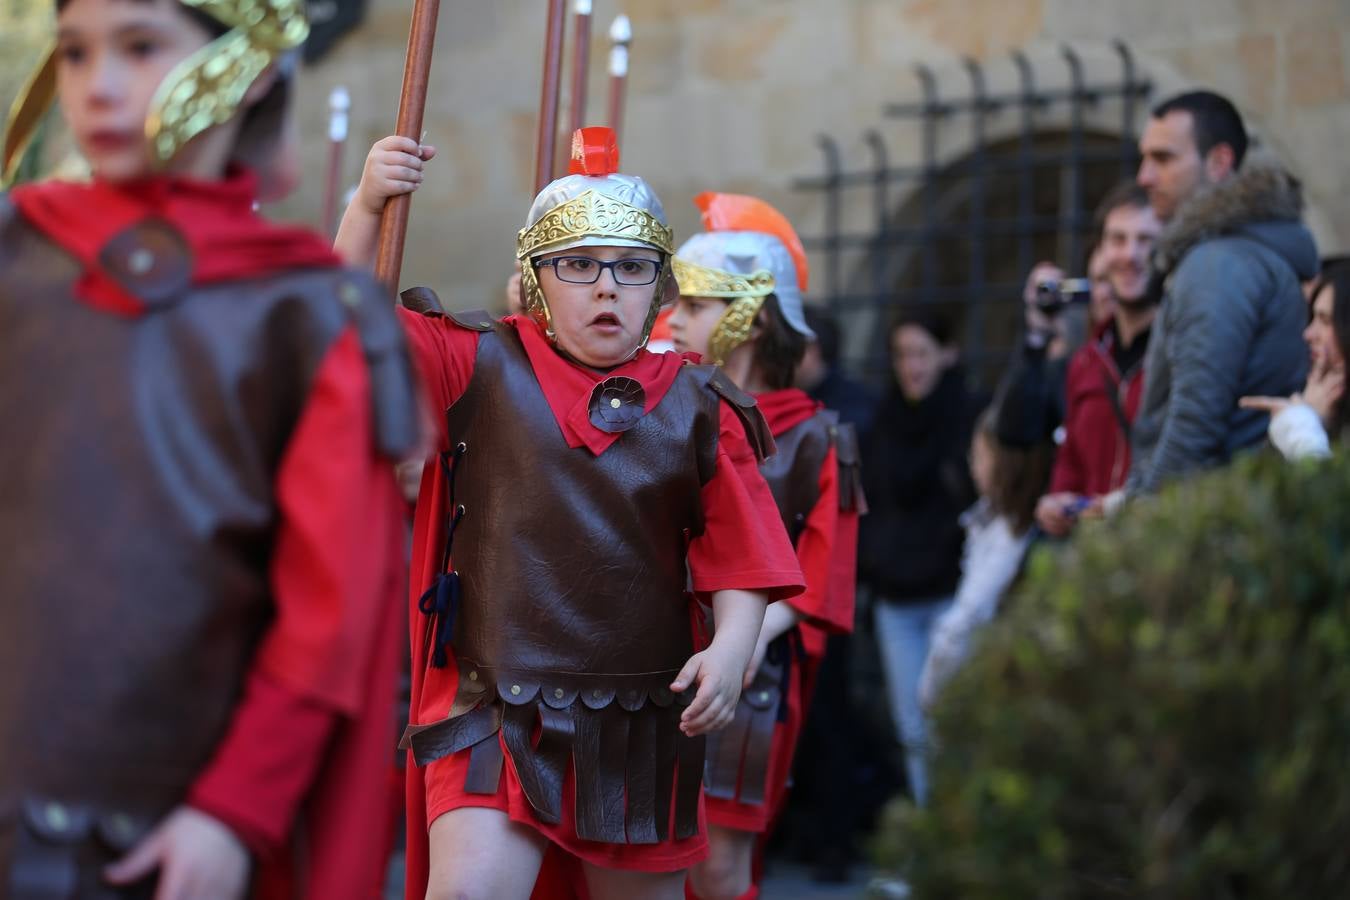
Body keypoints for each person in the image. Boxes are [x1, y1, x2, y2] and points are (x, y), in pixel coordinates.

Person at [0, 0, 420, 897]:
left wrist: (236, 809)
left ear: (253, 65)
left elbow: (328, 605)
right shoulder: (13, 257)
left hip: (170, 817)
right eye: (74, 53)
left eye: (141, 46)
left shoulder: (305, 314)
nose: (98, 86)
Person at [335, 128, 804, 900]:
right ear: (537, 277)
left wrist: (730, 649)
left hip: (642, 717)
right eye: (578, 266)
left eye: (630, 267)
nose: (606, 287)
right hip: (495, 703)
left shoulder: (700, 401)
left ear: (659, 284)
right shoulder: (473, 361)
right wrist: (367, 206)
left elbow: (744, 553)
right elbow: (344, 319)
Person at [666, 193, 864, 900]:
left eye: (694, 305)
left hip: (752, 674)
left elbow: (819, 579)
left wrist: (735, 643)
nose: (672, 319)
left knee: (716, 868)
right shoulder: (664, 413)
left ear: (748, 316)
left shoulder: (819, 438)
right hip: (646, 663)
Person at [1124, 90, 1316, 496]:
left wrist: (1141, 520)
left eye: (1164, 158)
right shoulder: (1229, 254)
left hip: (1211, 518)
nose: (1144, 177)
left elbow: (1195, 425)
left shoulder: (1217, 264)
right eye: (1144, 159)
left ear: (1219, 162)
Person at [859, 310, 982, 805]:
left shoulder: (969, 417)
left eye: (921, 354)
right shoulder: (884, 422)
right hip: (897, 596)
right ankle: (933, 834)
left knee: (957, 717)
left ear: (947, 354)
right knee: (912, 722)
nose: (911, 367)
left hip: (953, 592)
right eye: (902, 355)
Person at [1035, 183, 1161, 537]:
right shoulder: (1086, 361)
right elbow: (1071, 462)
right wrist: (1055, 503)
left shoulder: (1183, 349)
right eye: (1118, 240)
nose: (1130, 254)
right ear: (1102, 250)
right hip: (1095, 559)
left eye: (1145, 240)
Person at [919, 405, 1055, 707]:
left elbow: (967, 618)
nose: (972, 466)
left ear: (1006, 464)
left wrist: (931, 690)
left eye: (979, 456)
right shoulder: (990, 522)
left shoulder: (1010, 536)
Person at [1241, 259, 1350, 460]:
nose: (1309, 334)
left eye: (1325, 320)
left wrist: (1302, 427)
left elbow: (1328, 488)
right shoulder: (1321, 395)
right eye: (1313, 318)